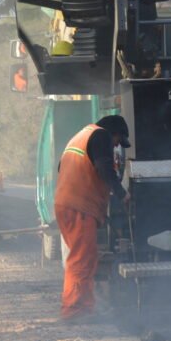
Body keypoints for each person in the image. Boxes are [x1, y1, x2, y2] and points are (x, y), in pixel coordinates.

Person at [54, 115, 130, 321]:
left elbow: (63, 168)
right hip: (79, 207)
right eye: (118, 141)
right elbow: (104, 167)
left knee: (85, 258)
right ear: (113, 133)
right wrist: (121, 193)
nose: (116, 146)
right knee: (81, 260)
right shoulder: (100, 136)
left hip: (65, 204)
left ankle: (85, 308)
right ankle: (74, 311)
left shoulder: (81, 136)